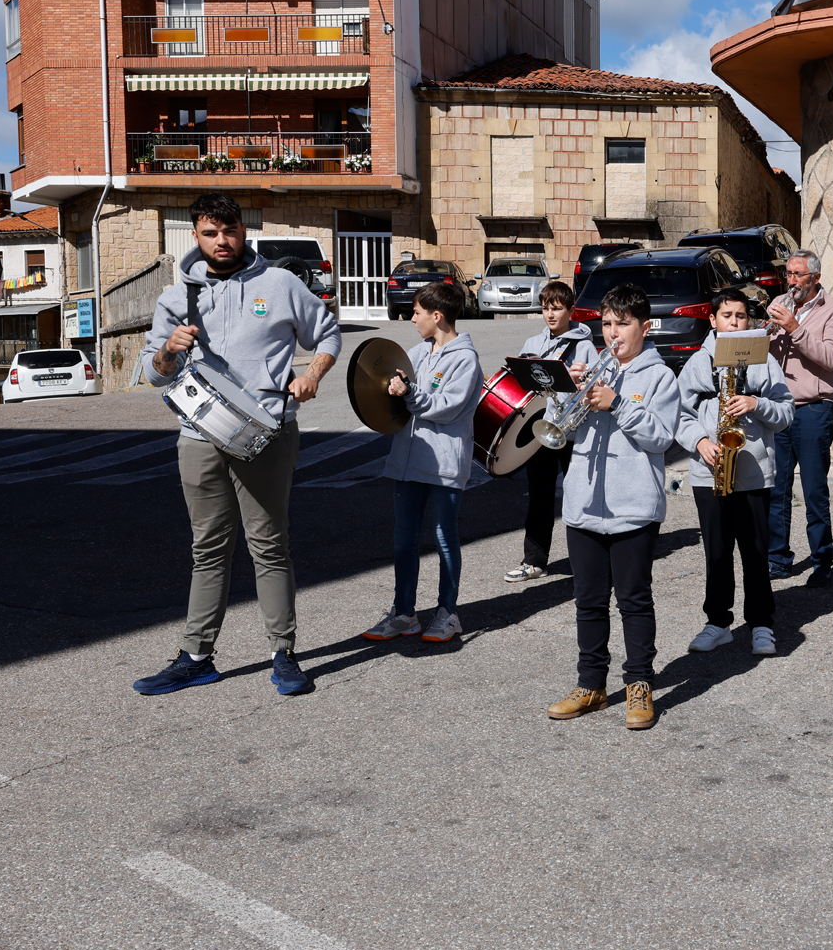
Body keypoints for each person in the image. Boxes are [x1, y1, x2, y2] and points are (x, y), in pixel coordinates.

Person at [132, 192, 341, 698]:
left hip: (266, 431)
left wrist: (311, 374)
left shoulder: (281, 283)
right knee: (207, 549)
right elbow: (150, 373)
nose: (221, 242)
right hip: (198, 434)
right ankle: (197, 656)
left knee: (269, 546)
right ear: (196, 235)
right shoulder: (175, 296)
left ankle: (284, 653)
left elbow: (328, 333)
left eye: (229, 231)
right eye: (210, 233)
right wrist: (166, 352)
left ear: (243, 230)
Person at [545, 282, 681, 732]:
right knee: (588, 600)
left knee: (633, 600)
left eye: (623, 324)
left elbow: (661, 437)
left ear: (644, 327)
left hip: (633, 505)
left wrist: (619, 404)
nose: (613, 334)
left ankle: (640, 683)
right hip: (585, 501)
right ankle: (592, 684)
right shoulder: (594, 370)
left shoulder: (659, 376)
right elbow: (559, 428)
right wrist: (566, 391)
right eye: (606, 324)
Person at [361, 282, 482, 645]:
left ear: (437, 315)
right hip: (408, 461)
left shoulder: (466, 359)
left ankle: (448, 614)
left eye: (416, 313)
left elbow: (448, 407)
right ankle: (404, 614)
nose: (411, 319)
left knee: (445, 539)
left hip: (444, 463)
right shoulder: (416, 352)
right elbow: (392, 397)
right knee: (403, 541)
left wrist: (410, 393)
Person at [678, 288, 794, 657]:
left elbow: (786, 412)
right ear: (713, 320)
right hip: (708, 471)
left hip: (754, 472)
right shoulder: (698, 363)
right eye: (727, 316)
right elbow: (678, 414)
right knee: (716, 552)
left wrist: (757, 403)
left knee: (756, 551)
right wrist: (699, 441)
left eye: (741, 316)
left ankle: (761, 623)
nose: (734, 322)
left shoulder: (763, 360)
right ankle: (718, 623)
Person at [505, 280, 601, 584]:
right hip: (541, 431)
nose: (550, 314)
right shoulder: (533, 343)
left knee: (579, 495)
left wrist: (579, 379)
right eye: (546, 308)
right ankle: (534, 561)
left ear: (571, 311)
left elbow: (596, 385)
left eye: (556, 308)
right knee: (540, 496)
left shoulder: (584, 344)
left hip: (572, 432)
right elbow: (520, 387)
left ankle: (590, 558)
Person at [765, 248, 833, 587]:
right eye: (789, 274)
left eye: (798, 275)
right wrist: (764, 333)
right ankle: (778, 558)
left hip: (814, 407)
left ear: (815, 278)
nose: (792, 281)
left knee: (813, 489)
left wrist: (795, 328)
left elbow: (832, 358)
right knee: (777, 488)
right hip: (779, 407)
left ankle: (821, 561)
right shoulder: (781, 303)